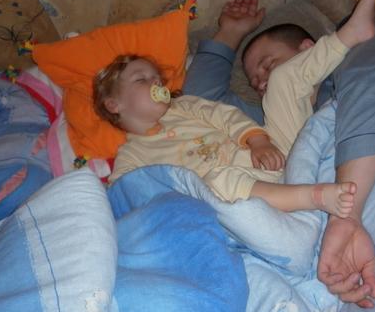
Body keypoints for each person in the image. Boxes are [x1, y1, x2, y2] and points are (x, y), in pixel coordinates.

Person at [183, 0, 375, 308]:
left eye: (267, 65)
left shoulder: (358, 57)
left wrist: (347, 215)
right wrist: (229, 33)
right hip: (307, 198)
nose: (262, 82)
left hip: (367, 182)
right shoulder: (264, 125)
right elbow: (198, 104)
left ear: (309, 49)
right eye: (255, 83)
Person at [97, 55, 355, 217]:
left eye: (157, 78)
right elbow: (124, 193)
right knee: (218, 180)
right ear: (114, 104)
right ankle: (314, 197)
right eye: (141, 80)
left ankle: (346, 38)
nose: (156, 83)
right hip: (234, 197)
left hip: (270, 160)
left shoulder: (184, 106)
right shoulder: (131, 154)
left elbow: (227, 117)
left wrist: (259, 142)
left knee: (282, 82)